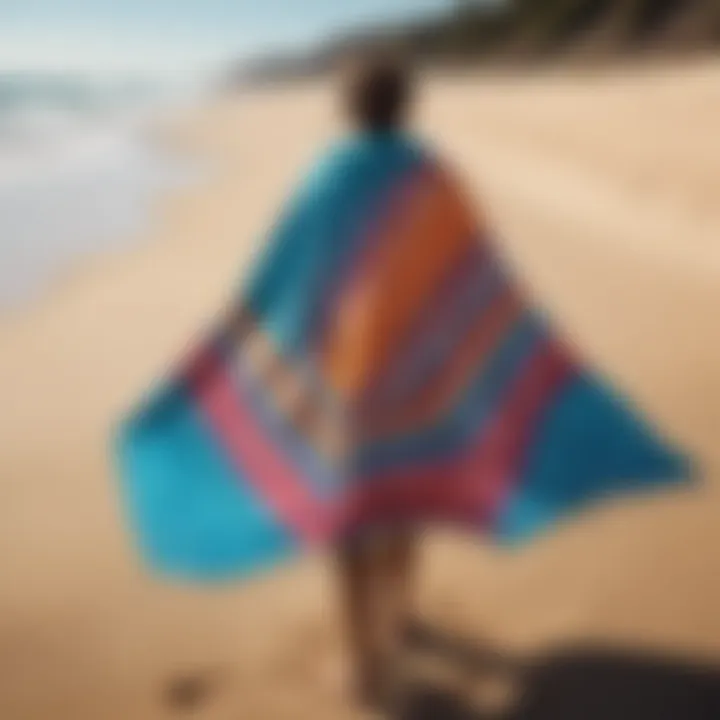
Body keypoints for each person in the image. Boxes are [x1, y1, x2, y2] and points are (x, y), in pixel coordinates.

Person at [117, 54, 691, 714]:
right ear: (408, 106)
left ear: (347, 108)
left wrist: (248, 353)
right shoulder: (431, 174)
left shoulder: (329, 174)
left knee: (352, 516)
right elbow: (475, 272)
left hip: (351, 380)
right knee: (406, 497)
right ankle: (403, 619)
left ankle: (363, 661)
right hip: (419, 380)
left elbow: (289, 274)